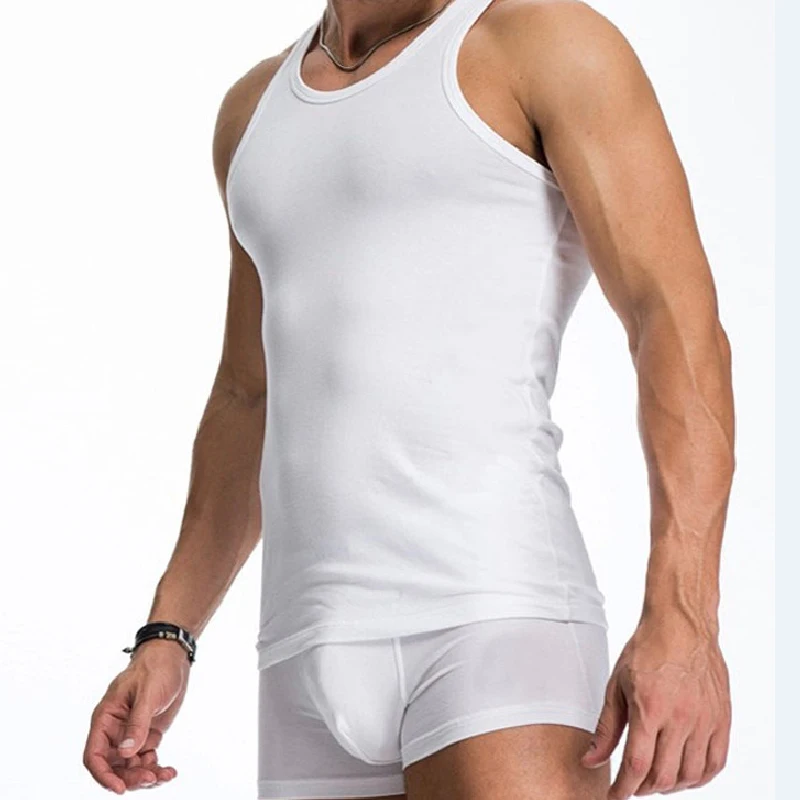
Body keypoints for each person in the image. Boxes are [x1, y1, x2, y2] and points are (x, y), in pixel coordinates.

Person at [82, 0, 735, 797]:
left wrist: (685, 621)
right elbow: (249, 393)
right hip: (301, 651)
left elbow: (674, 322)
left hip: (492, 618)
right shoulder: (252, 112)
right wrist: (169, 630)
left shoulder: (539, 44)